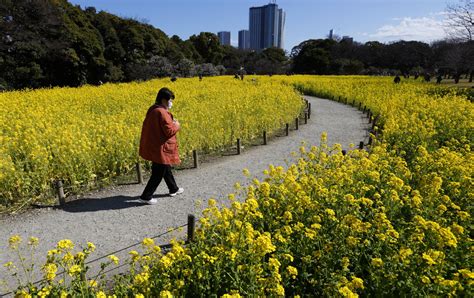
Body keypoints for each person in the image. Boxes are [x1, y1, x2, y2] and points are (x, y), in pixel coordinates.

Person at [138, 87, 184, 204]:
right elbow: (168, 131)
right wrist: (177, 125)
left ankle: (174, 188)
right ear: (164, 100)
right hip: (161, 147)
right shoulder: (161, 112)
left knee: (165, 168)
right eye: (170, 100)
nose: (171, 103)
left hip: (156, 146)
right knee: (158, 173)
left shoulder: (153, 109)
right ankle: (146, 196)